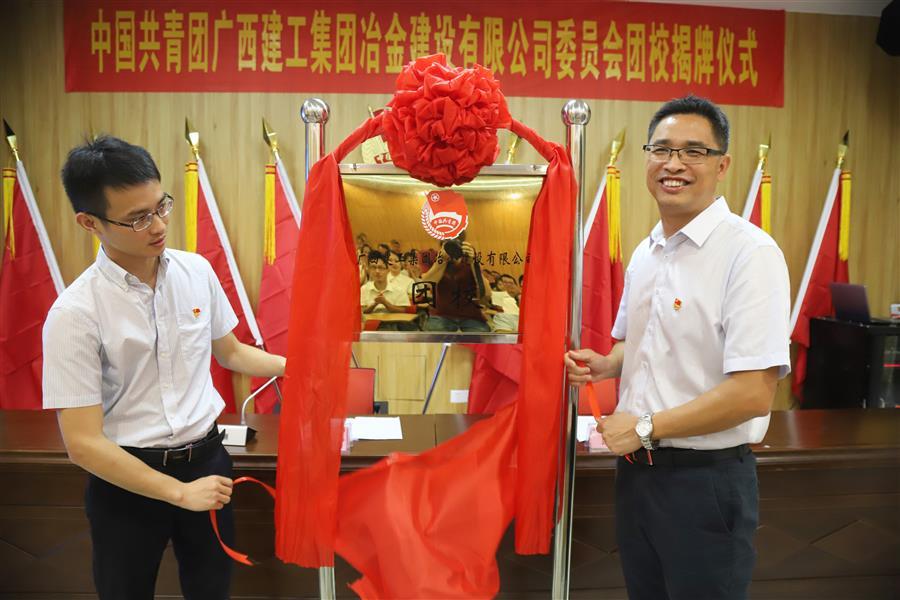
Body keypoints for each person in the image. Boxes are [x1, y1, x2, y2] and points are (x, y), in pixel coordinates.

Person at [565, 96, 790, 600]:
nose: (674, 164)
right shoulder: (648, 251)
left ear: (722, 165)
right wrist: (606, 364)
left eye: (693, 151)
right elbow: (637, 342)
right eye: (662, 149)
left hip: (705, 483)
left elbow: (754, 393)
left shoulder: (750, 254)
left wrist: (644, 426)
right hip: (637, 477)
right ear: (647, 158)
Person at [42, 136, 287, 600]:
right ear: (89, 222)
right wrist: (178, 492)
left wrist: (295, 367)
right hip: (127, 478)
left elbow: (231, 353)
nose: (158, 226)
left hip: (207, 463)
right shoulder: (75, 313)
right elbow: (83, 443)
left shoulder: (197, 272)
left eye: (161, 206)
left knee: (212, 589)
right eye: (137, 218)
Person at [420, 236, 491, 332]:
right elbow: (427, 284)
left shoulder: (469, 261)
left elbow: (486, 294)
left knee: (479, 338)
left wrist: (474, 263)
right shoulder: (434, 259)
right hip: (441, 315)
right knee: (436, 337)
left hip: (471, 316)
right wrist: (441, 260)